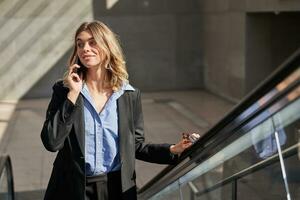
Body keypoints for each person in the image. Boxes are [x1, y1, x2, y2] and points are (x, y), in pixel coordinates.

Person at [41, 21, 199, 200]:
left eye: (93, 42)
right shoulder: (64, 91)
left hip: (116, 189)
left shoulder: (128, 95)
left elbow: (137, 146)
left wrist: (174, 149)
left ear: (107, 45)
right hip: (72, 189)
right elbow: (51, 142)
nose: (85, 48)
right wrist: (73, 95)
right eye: (80, 43)